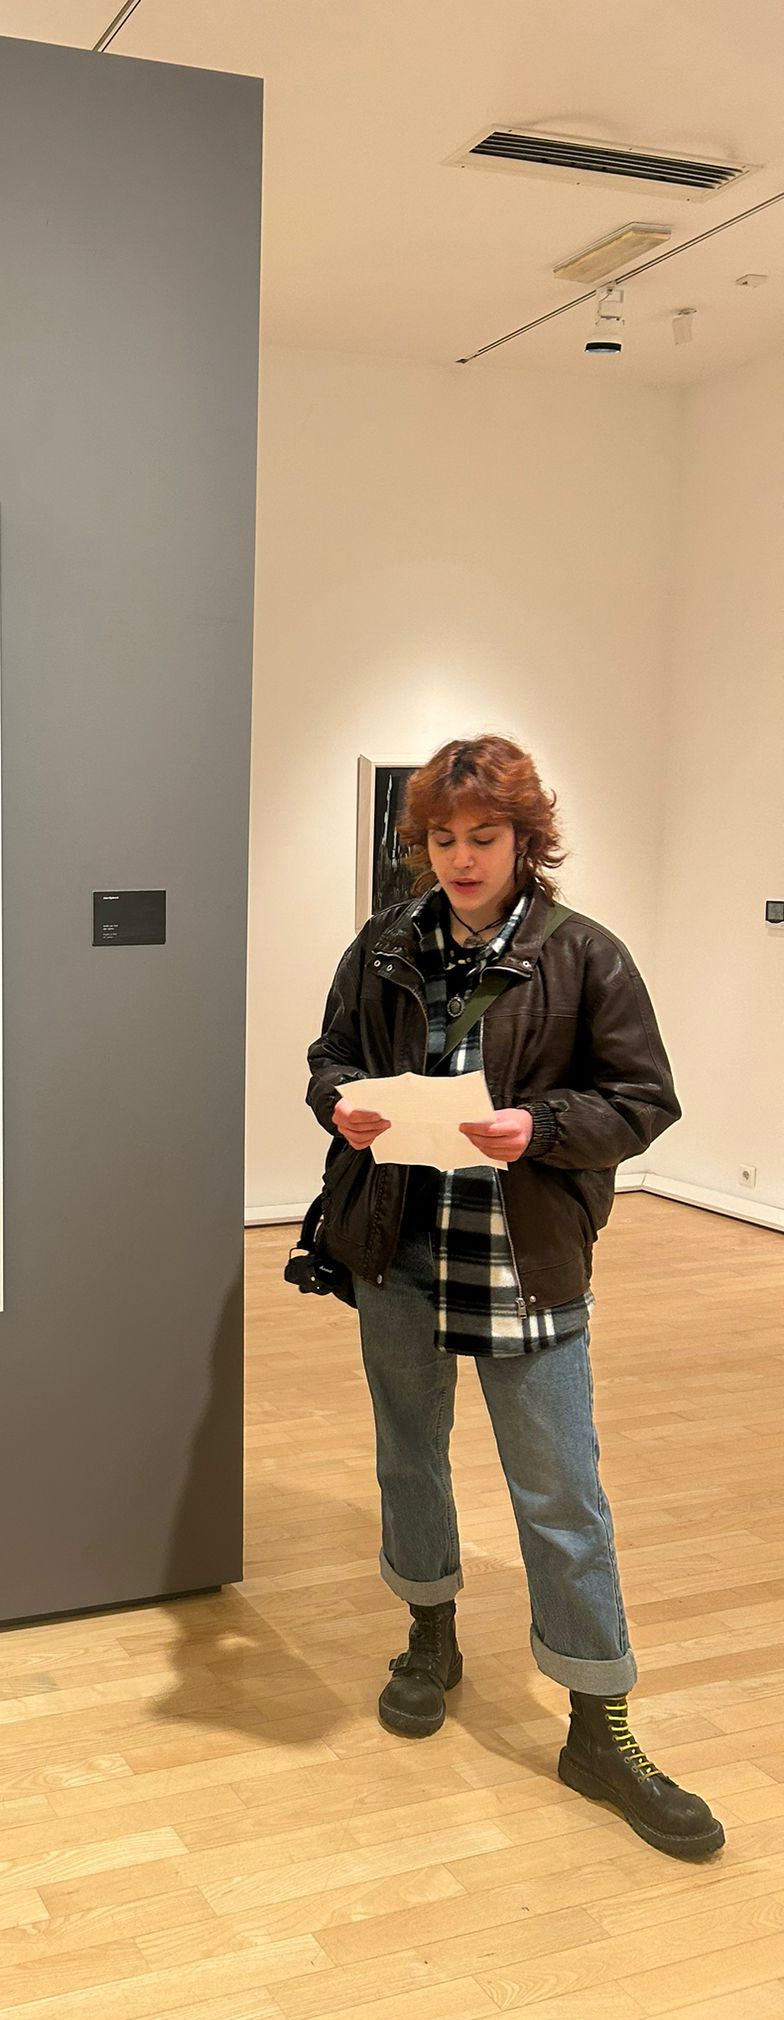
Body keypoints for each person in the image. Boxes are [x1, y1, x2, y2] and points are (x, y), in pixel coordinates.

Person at [306, 734, 724, 1861]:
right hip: (398, 1246)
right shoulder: (385, 944)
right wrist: (341, 1101)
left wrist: (539, 1126)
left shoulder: (586, 954)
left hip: (521, 1255)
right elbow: (330, 1055)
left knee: (561, 1493)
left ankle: (599, 1724)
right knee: (410, 1454)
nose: (461, 858)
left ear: (525, 839)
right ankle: (430, 1635)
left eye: (483, 837)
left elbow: (643, 1099)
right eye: (442, 838)